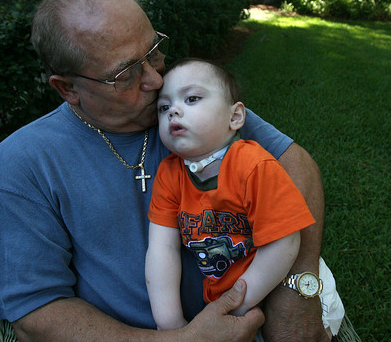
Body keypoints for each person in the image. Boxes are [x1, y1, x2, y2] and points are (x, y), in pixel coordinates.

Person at [0, 0, 329, 340]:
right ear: (68, 88)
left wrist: (297, 290)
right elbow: (35, 313)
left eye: (155, 51)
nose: (155, 78)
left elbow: (293, 163)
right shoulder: (21, 166)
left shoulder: (189, 108)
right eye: (126, 74)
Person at [145, 59, 344, 339]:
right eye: (164, 108)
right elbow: (161, 249)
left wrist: (236, 306)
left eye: (192, 98)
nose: (173, 111)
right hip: (228, 304)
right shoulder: (169, 175)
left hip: (283, 288)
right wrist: (170, 324)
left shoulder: (254, 165)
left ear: (236, 117)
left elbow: (284, 242)